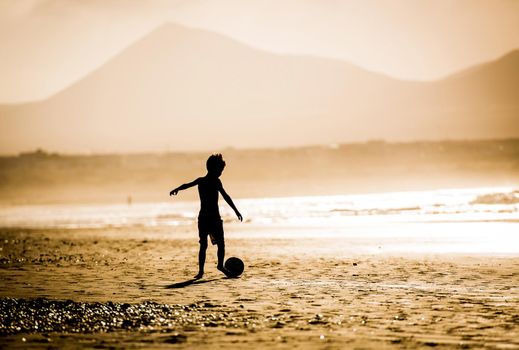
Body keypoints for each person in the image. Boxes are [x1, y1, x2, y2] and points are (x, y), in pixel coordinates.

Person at [170, 154, 242, 279]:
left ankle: (201, 271)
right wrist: (236, 211)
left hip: (203, 217)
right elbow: (226, 196)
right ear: (214, 169)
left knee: (203, 245)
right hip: (213, 218)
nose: (220, 173)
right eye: (220, 170)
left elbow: (186, 185)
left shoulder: (201, 181)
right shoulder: (216, 181)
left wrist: (177, 189)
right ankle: (219, 266)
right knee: (220, 244)